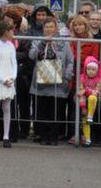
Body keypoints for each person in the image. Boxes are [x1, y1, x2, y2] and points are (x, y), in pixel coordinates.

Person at [29, 17, 74, 146]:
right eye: (46, 27)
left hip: (58, 84)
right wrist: (43, 44)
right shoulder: (37, 40)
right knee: (42, 110)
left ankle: (53, 136)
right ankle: (43, 135)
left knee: (56, 111)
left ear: (56, 28)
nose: (49, 29)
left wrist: (67, 77)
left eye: (51, 27)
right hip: (41, 82)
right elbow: (32, 56)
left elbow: (70, 61)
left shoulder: (63, 42)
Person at [77, 56, 101, 147]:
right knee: (84, 120)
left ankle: (90, 115)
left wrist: (86, 90)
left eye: (93, 69)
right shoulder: (82, 78)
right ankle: (87, 139)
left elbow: (96, 92)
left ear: (97, 70)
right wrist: (83, 107)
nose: (91, 71)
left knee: (93, 97)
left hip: (94, 100)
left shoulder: (99, 79)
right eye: (89, 69)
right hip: (83, 100)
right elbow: (80, 92)